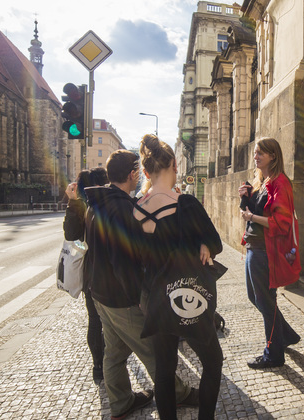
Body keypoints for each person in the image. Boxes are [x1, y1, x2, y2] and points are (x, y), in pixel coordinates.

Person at [84, 150, 197, 419]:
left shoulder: (97, 202)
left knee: (114, 352)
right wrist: (137, 297)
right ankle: (177, 394)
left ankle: (121, 402)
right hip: (120, 297)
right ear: (133, 174)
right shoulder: (121, 208)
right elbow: (122, 259)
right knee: (152, 351)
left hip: (99, 291)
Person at [133, 134, 224, 420]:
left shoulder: (135, 210)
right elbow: (216, 242)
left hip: (155, 299)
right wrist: (205, 244)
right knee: (213, 361)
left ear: (146, 171)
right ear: (174, 164)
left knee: (164, 369)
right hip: (187, 295)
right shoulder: (187, 205)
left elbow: (131, 259)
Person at [238, 138, 301, 369]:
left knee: (265, 301)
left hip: (266, 251)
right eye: (255, 153)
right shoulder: (262, 182)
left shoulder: (280, 183)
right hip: (254, 247)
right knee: (255, 297)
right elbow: (254, 211)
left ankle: (273, 355)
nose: (256, 156)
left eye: (261, 153)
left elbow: (282, 223)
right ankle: (287, 335)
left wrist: (252, 217)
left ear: (273, 156)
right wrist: (245, 197)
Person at [62, 168, 109, 383]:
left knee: (95, 320)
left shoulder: (80, 205)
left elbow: (72, 237)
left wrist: (73, 202)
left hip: (90, 274)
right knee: (105, 321)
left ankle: (99, 366)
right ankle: (108, 362)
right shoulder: (101, 205)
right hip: (105, 273)